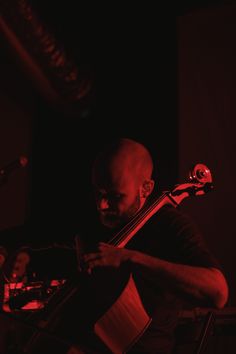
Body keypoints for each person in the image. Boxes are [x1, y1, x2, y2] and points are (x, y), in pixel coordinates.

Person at [71, 137, 228, 354]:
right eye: (98, 193)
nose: (102, 205)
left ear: (146, 188)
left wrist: (131, 258)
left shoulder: (170, 225)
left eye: (115, 196)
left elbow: (218, 292)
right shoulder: (94, 224)